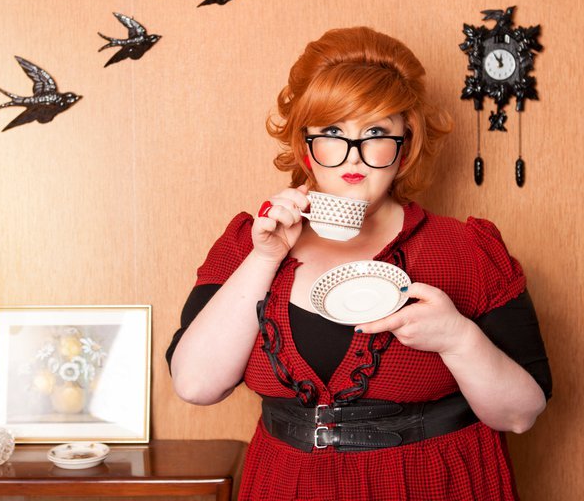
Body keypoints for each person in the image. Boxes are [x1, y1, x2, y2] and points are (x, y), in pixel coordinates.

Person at [166, 27, 551, 501]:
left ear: (404, 147)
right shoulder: (248, 243)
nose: (355, 157)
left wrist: (458, 338)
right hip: (287, 487)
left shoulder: (467, 249)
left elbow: (520, 415)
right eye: (332, 132)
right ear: (305, 147)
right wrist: (265, 257)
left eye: (375, 133)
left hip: (433, 485)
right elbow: (196, 385)